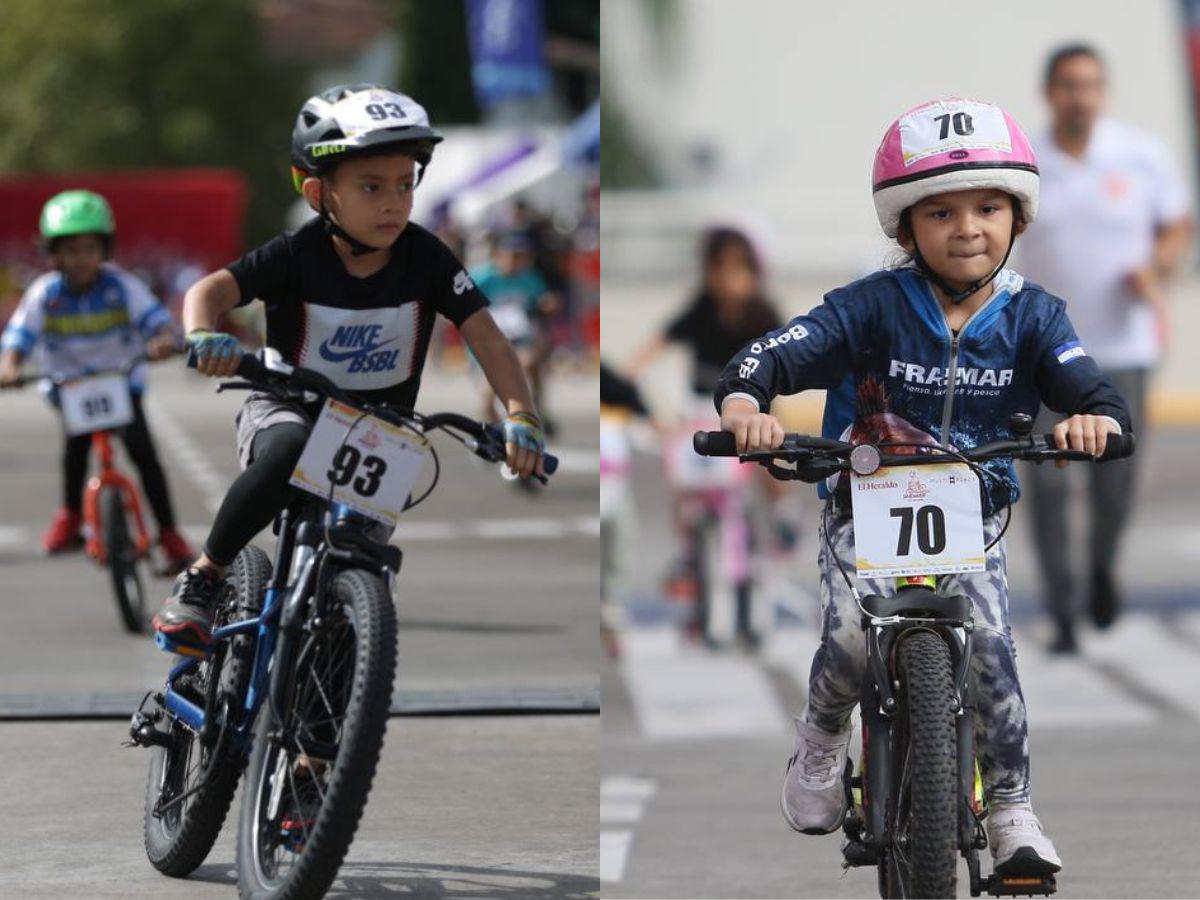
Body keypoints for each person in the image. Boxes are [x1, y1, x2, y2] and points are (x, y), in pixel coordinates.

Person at [715, 99, 1133, 876]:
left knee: (996, 656)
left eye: (987, 206)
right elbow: (774, 355)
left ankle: (1011, 810)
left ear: (1019, 218)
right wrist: (747, 404)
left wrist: (1094, 421)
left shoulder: (1036, 318)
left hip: (975, 515)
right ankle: (820, 738)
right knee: (844, 637)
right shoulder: (870, 306)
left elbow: (1092, 389)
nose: (967, 226)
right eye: (939, 211)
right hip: (863, 505)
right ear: (905, 229)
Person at [151, 84, 546, 657]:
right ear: (320, 192)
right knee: (289, 446)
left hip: (379, 429)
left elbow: (485, 334)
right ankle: (205, 576)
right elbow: (210, 291)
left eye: (405, 184)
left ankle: (319, 744)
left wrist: (522, 415)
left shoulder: (427, 258)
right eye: (371, 186)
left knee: (358, 590)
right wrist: (202, 334)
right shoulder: (296, 253)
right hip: (286, 406)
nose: (394, 202)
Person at [1014, 44, 1193, 652]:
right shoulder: (1028, 163)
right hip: (1040, 352)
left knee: (1114, 480)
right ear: (1050, 92)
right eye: (1067, 84)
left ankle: (1100, 569)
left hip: (1124, 346)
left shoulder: (1140, 155)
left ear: (1102, 92)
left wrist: (1159, 266)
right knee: (1048, 482)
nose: (1078, 96)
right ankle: (1062, 609)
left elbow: (1175, 221)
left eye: (1089, 85)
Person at [0, 190, 194, 571]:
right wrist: (10, 364)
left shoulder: (122, 287)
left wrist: (163, 341)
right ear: (53, 253)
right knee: (74, 452)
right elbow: (19, 335)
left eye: (89, 249)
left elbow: (157, 321)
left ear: (104, 249)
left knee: (144, 455)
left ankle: (170, 536)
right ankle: (70, 518)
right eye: (70, 250)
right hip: (70, 386)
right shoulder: (45, 294)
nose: (80, 259)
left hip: (121, 384)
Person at [469, 228, 558, 425]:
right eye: (513, 255)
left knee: (530, 361)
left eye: (522, 256)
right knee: (488, 391)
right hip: (488, 340)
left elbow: (540, 300)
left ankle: (537, 408)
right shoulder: (483, 277)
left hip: (519, 338)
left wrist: (547, 303)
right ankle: (492, 426)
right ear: (498, 255)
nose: (517, 261)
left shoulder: (529, 277)